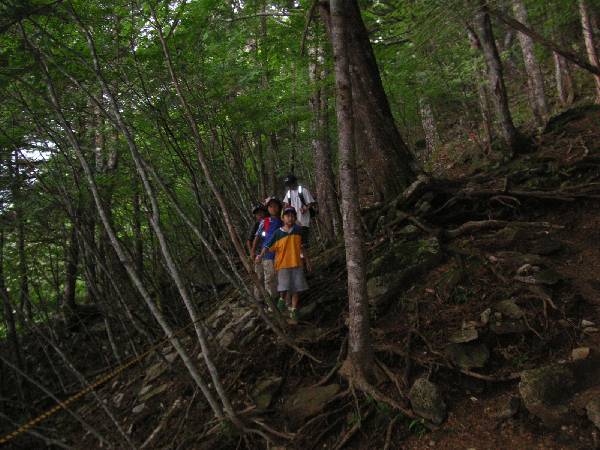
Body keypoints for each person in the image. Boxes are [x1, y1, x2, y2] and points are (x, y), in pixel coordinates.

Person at [257, 206, 311, 322]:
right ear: (282, 218)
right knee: (284, 286)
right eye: (287, 216)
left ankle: (293, 309)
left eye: (292, 216)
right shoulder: (278, 233)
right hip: (283, 265)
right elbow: (267, 245)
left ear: (295, 218)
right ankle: (281, 300)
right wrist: (260, 256)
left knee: (296, 288)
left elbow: (302, 247)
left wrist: (307, 261)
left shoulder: (298, 230)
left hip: (297, 264)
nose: (290, 218)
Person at [252, 197, 283, 302]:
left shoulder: (283, 220)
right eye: (270, 206)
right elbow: (257, 237)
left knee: (279, 278)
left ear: (279, 207)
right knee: (269, 278)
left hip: (280, 254)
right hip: (267, 255)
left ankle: (280, 300)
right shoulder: (265, 221)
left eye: (275, 206)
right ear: (267, 209)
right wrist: (253, 252)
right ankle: (271, 301)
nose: (273, 208)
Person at [283, 174, 316, 248]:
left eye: (290, 184)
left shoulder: (303, 190)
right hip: (293, 222)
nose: (289, 186)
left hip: (303, 221)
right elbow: (286, 205)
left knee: (303, 244)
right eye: (288, 185)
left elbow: (311, 203)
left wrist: (305, 208)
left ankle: (305, 254)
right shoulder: (288, 193)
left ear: (295, 182)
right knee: (295, 243)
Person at [248, 203, 267, 298]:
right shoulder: (256, 225)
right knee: (260, 276)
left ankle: (271, 296)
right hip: (259, 254)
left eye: (261, 212)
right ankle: (259, 297)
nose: (259, 215)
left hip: (270, 252)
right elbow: (249, 240)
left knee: (270, 276)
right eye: (257, 214)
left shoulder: (270, 221)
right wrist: (252, 253)